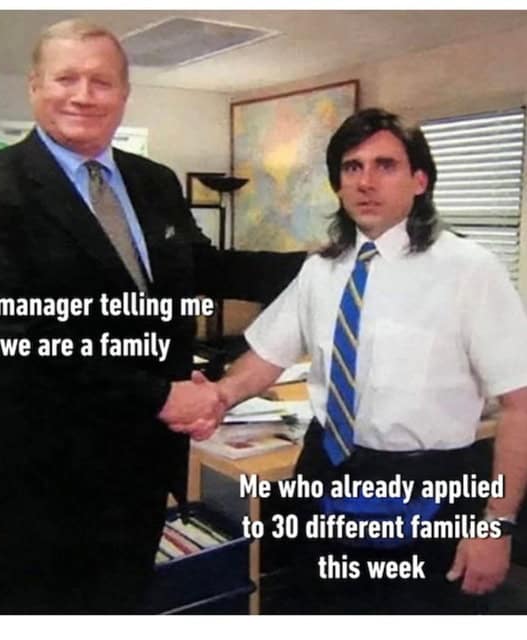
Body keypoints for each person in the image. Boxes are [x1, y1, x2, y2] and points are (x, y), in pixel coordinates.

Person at [0, 19, 304, 614]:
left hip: (141, 461)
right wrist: (160, 395)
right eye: (66, 78)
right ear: (34, 86)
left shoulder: (153, 181)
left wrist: (323, 264)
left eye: (102, 81)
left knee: (122, 601)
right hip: (44, 466)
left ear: (124, 93)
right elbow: (6, 339)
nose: (83, 95)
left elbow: (201, 267)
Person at [209, 108, 527, 613]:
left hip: (428, 486)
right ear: (338, 184)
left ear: (420, 180)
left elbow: (519, 404)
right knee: (320, 608)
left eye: (386, 165)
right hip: (326, 470)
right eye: (352, 167)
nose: (366, 181)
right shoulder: (321, 269)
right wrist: (218, 395)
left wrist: (497, 524)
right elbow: (268, 355)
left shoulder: (470, 269)